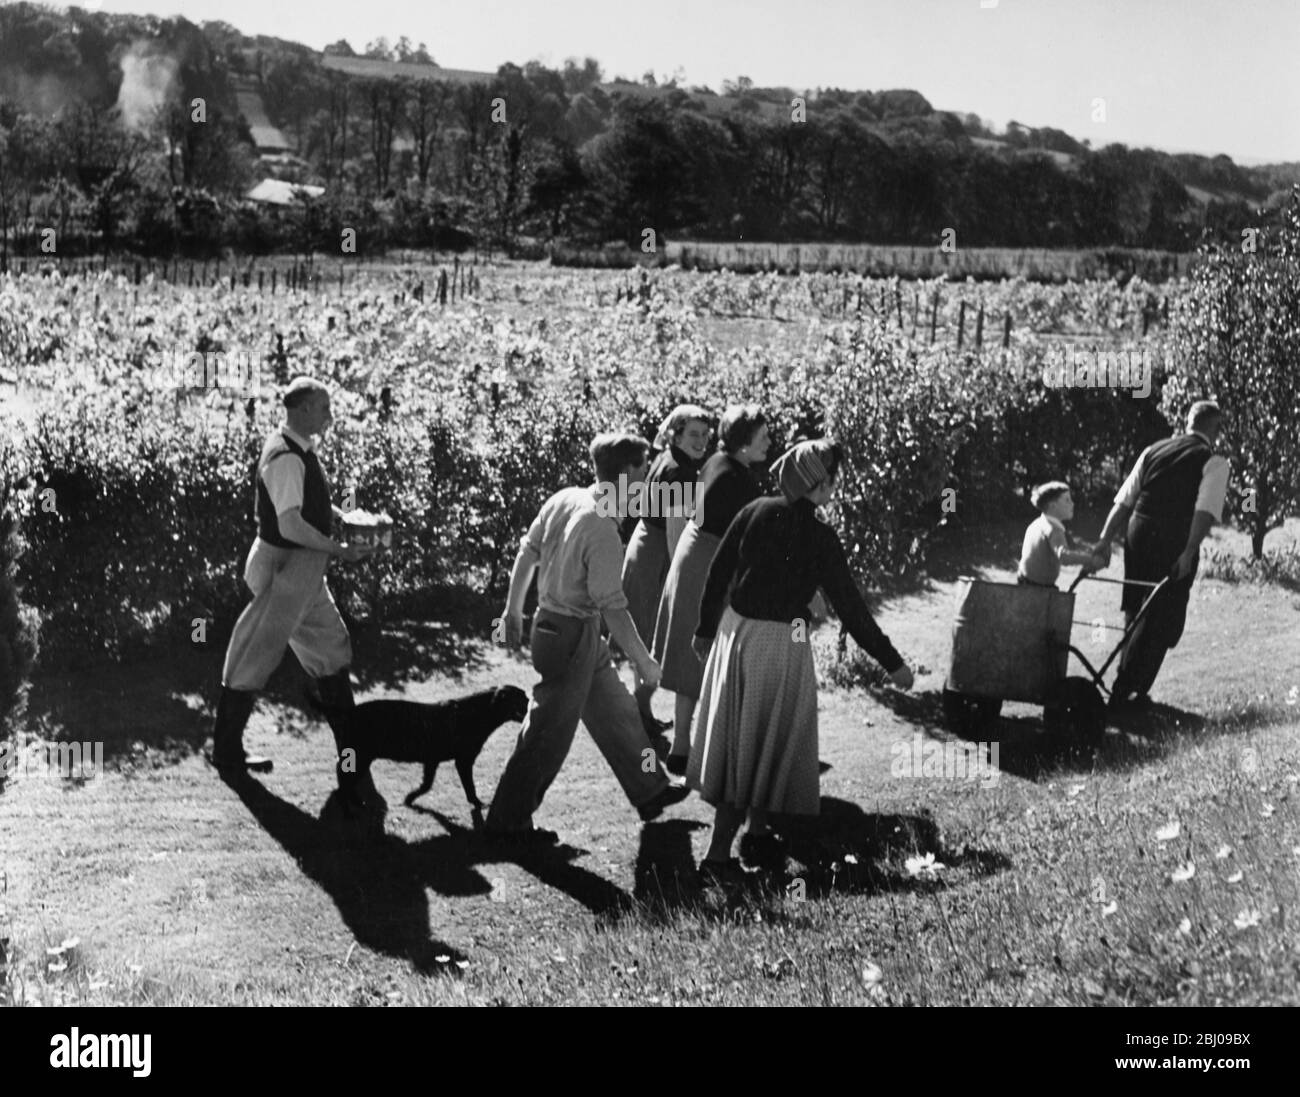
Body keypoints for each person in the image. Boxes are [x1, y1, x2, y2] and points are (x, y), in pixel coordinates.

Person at [688, 439, 914, 882]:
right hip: (777, 644)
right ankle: (717, 856)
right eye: (834, 476)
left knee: (747, 740)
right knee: (753, 748)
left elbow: (718, 570)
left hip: (737, 633)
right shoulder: (818, 536)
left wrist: (705, 629)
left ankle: (756, 831)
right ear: (820, 481)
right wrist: (893, 663)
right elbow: (850, 606)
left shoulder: (753, 510)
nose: (838, 484)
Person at [486, 431, 692, 845]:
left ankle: (651, 790)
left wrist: (513, 610)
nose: (649, 475)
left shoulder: (566, 497)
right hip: (570, 635)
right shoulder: (603, 529)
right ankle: (507, 823)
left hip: (562, 628)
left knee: (617, 710)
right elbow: (613, 606)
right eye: (644, 466)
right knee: (548, 733)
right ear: (627, 473)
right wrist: (644, 661)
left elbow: (528, 551)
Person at [210, 377, 374, 781]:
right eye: (323, 408)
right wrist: (339, 549)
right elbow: (290, 523)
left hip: (301, 569)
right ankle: (228, 753)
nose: (329, 415)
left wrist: (337, 516)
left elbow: (301, 505)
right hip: (285, 568)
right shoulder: (286, 456)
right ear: (301, 411)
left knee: (330, 649)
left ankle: (352, 753)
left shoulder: (296, 448)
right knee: (254, 654)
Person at [651, 404, 771, 775]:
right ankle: (706, 747)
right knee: (710, 654)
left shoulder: (718, 460)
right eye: (763, 437)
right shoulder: (740, 480)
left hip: (693, 550)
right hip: (707, 561)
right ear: (745, 444)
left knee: (691, 656)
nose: (769, 443)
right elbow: (747, 541)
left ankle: (683, 745)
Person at [1094, 400, 1230, 708]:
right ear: (1215, 429)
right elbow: (1204, 511)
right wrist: (1188, 552)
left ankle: (1128, 684)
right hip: (1172, 539)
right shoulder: (1214, 461)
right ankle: (1128, 689)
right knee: (1164, 617)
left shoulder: (1152, 450)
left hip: (1138, 533)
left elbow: (1124, 500)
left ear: (1188, 422)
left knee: (1136, 606)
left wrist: (1104, 540)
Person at [620, 404, 711, 740]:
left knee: (647, 641)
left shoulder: (667, 456)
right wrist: (679, 576)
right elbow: (676, 531)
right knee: (654, 643)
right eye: (693, 434)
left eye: (704, 434)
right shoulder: (682, 471)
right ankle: (636, 711)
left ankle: (640, 712)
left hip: (644, 545)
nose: (700, 441)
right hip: (657, 554)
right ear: (676, 434)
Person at [1018, 481, 1107, 588]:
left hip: (1024, 581)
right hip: (1038, 589)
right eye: (1067, 500)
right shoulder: (1053, 529)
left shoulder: (1038, 524)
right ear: (1053, 506)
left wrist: (1086, 557)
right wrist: (1091, 560)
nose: (1072, 504)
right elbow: (1064, 556)